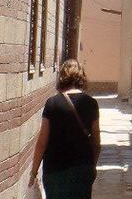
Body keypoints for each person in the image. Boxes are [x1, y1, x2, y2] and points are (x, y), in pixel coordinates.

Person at [29, 59, 101, 198]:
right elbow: (96, 142)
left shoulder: (52, 104)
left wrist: (33, 172)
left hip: (55, 170)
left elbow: (42, 142)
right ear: (81, 78)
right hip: (82, 169)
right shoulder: (91, 104)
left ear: (62, 78)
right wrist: (91, 165)